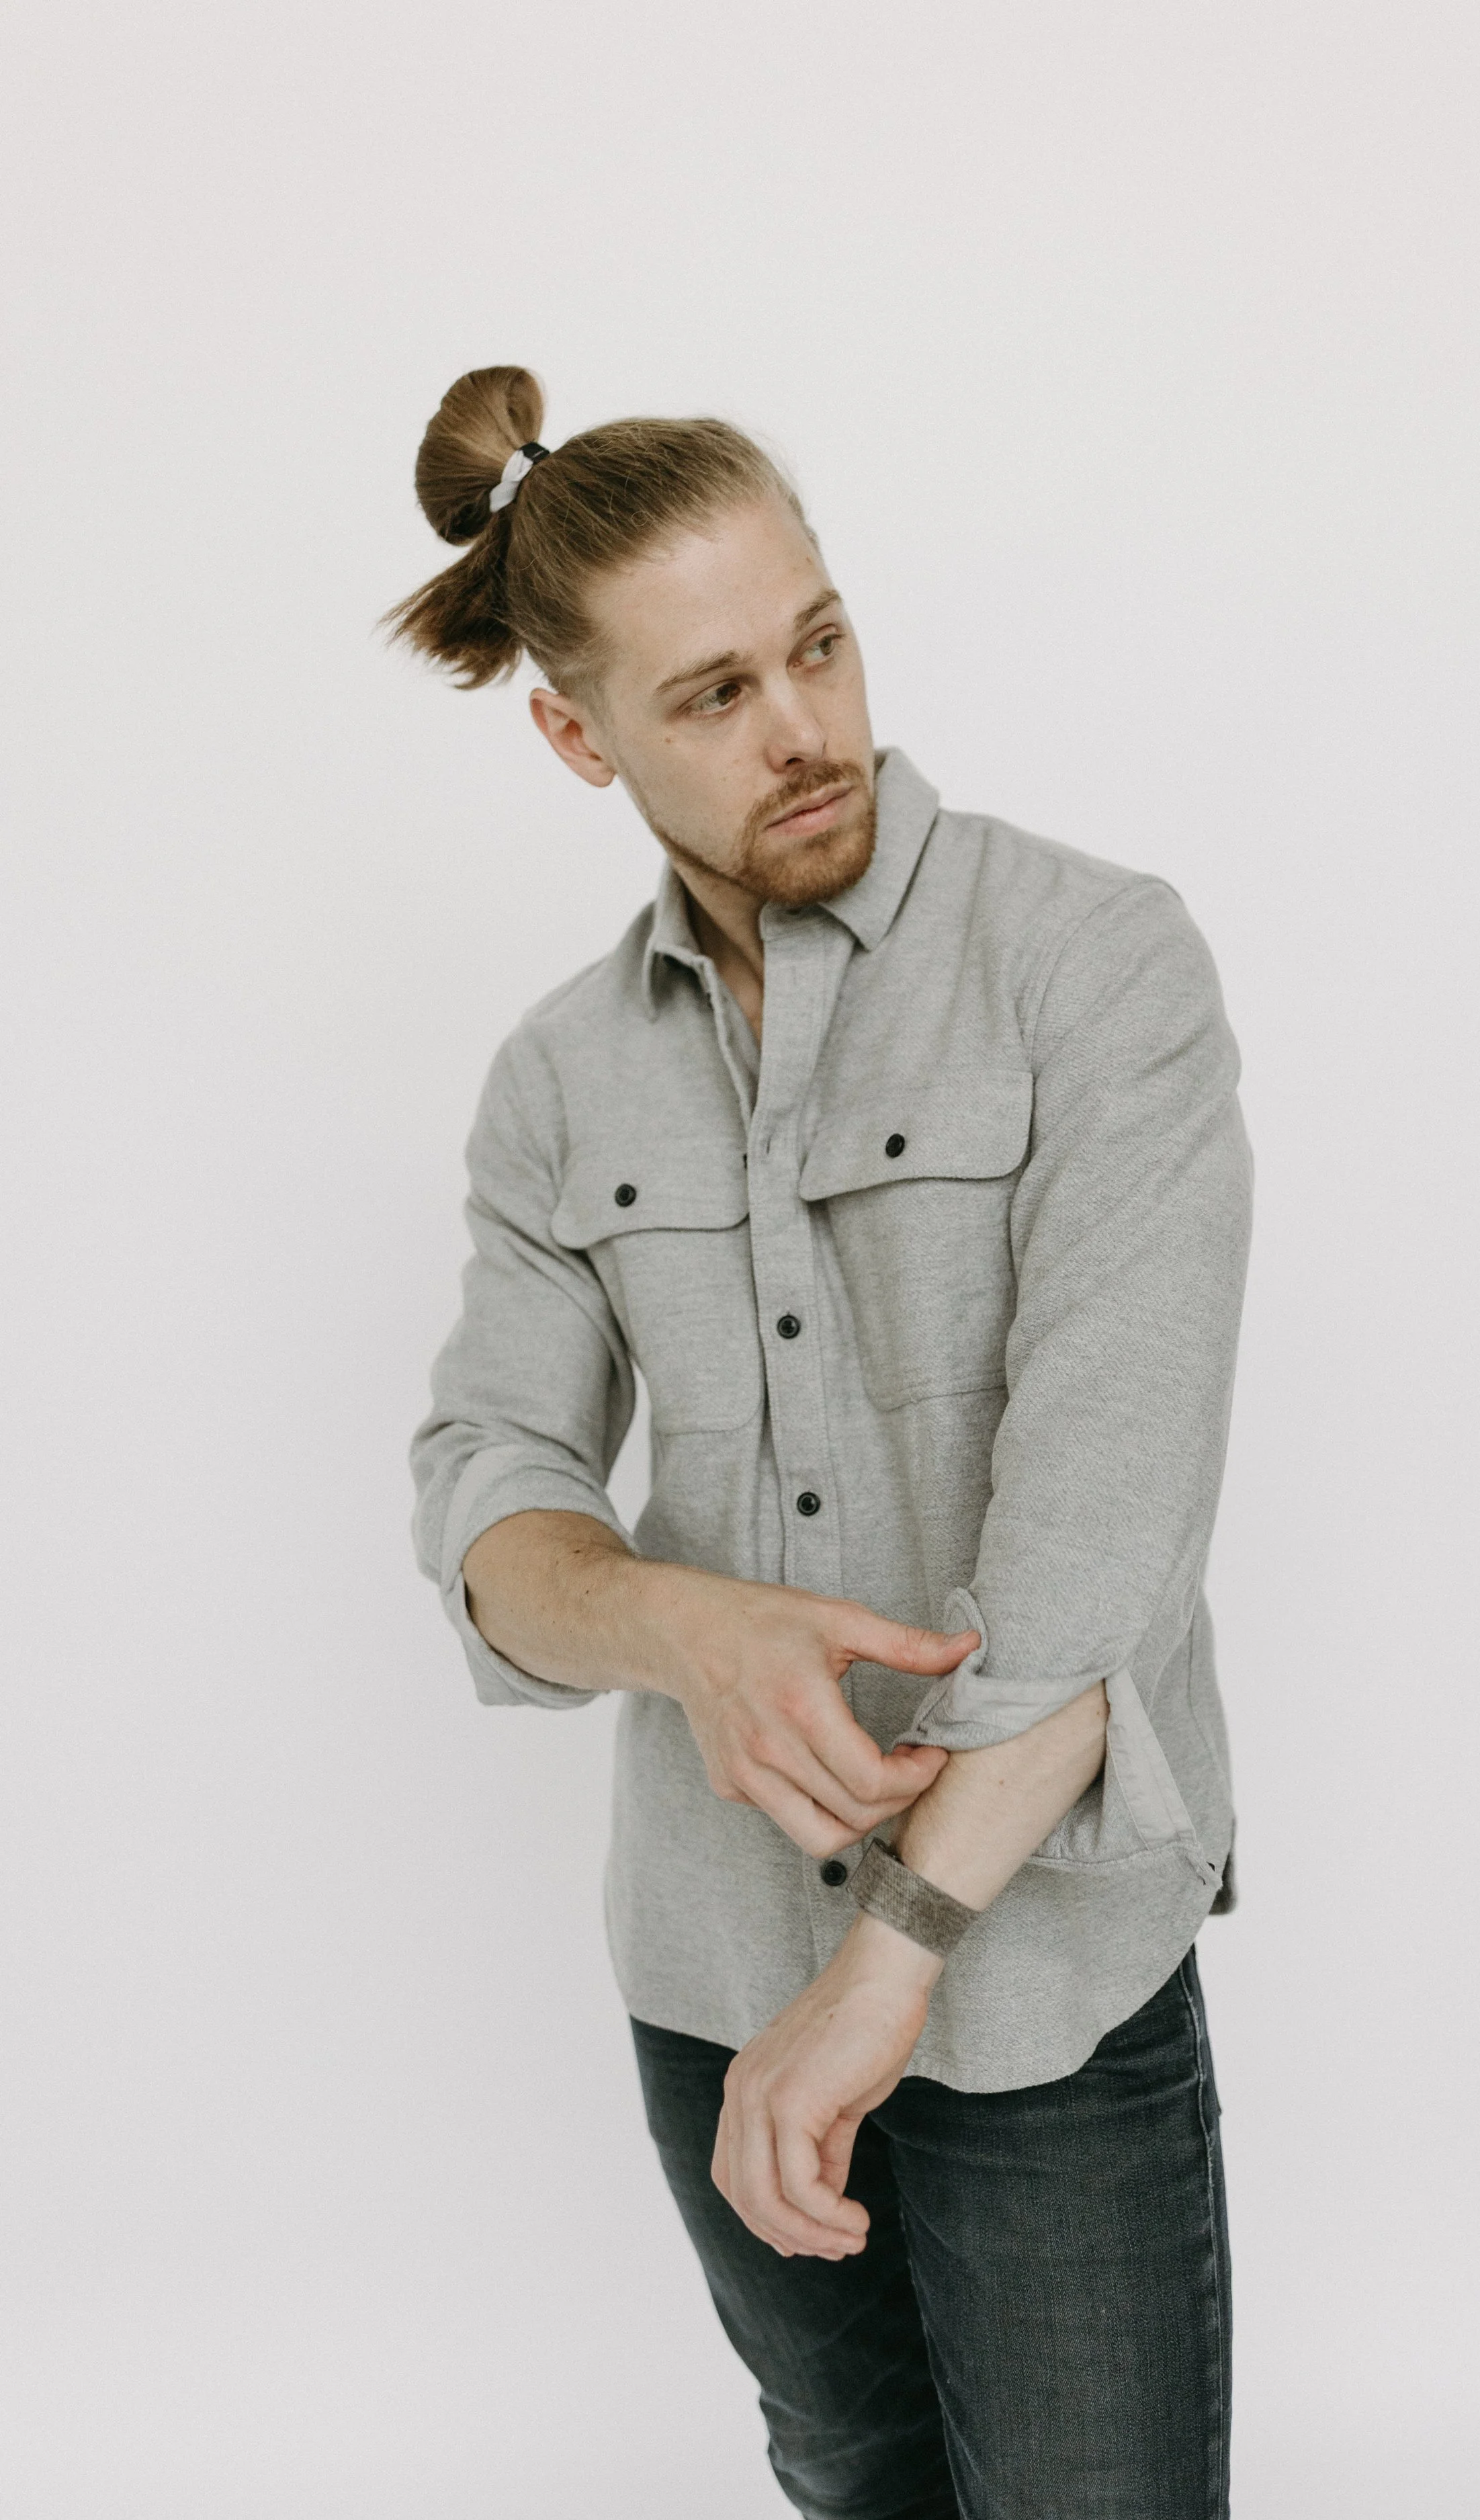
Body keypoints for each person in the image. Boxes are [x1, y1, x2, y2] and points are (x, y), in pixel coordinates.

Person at [395, 365, 1252, 2520]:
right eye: (711, 695)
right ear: (576, 737)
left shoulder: (1092, 963)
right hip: (707, 1970)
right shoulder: (555, 1079)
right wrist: (677, 1624)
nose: (804, 728)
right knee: (853, 2485)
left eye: (821, 641)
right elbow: (483, 1494)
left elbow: (1099, 1554)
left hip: (1036, 1974)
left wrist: (889, 1969)